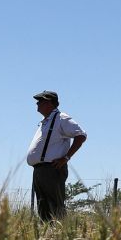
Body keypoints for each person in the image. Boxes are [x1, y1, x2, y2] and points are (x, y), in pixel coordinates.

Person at [26, 90, 87, 221]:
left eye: (40, 101)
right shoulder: (46, 121)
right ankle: (48, 236)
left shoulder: (61, 118)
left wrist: (66, 158)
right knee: (43, 206)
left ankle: (61, 234)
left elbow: (81, 135)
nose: (37, 103)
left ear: (49, 103)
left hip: (52, 169)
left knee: (55, 205)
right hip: (40, 169)